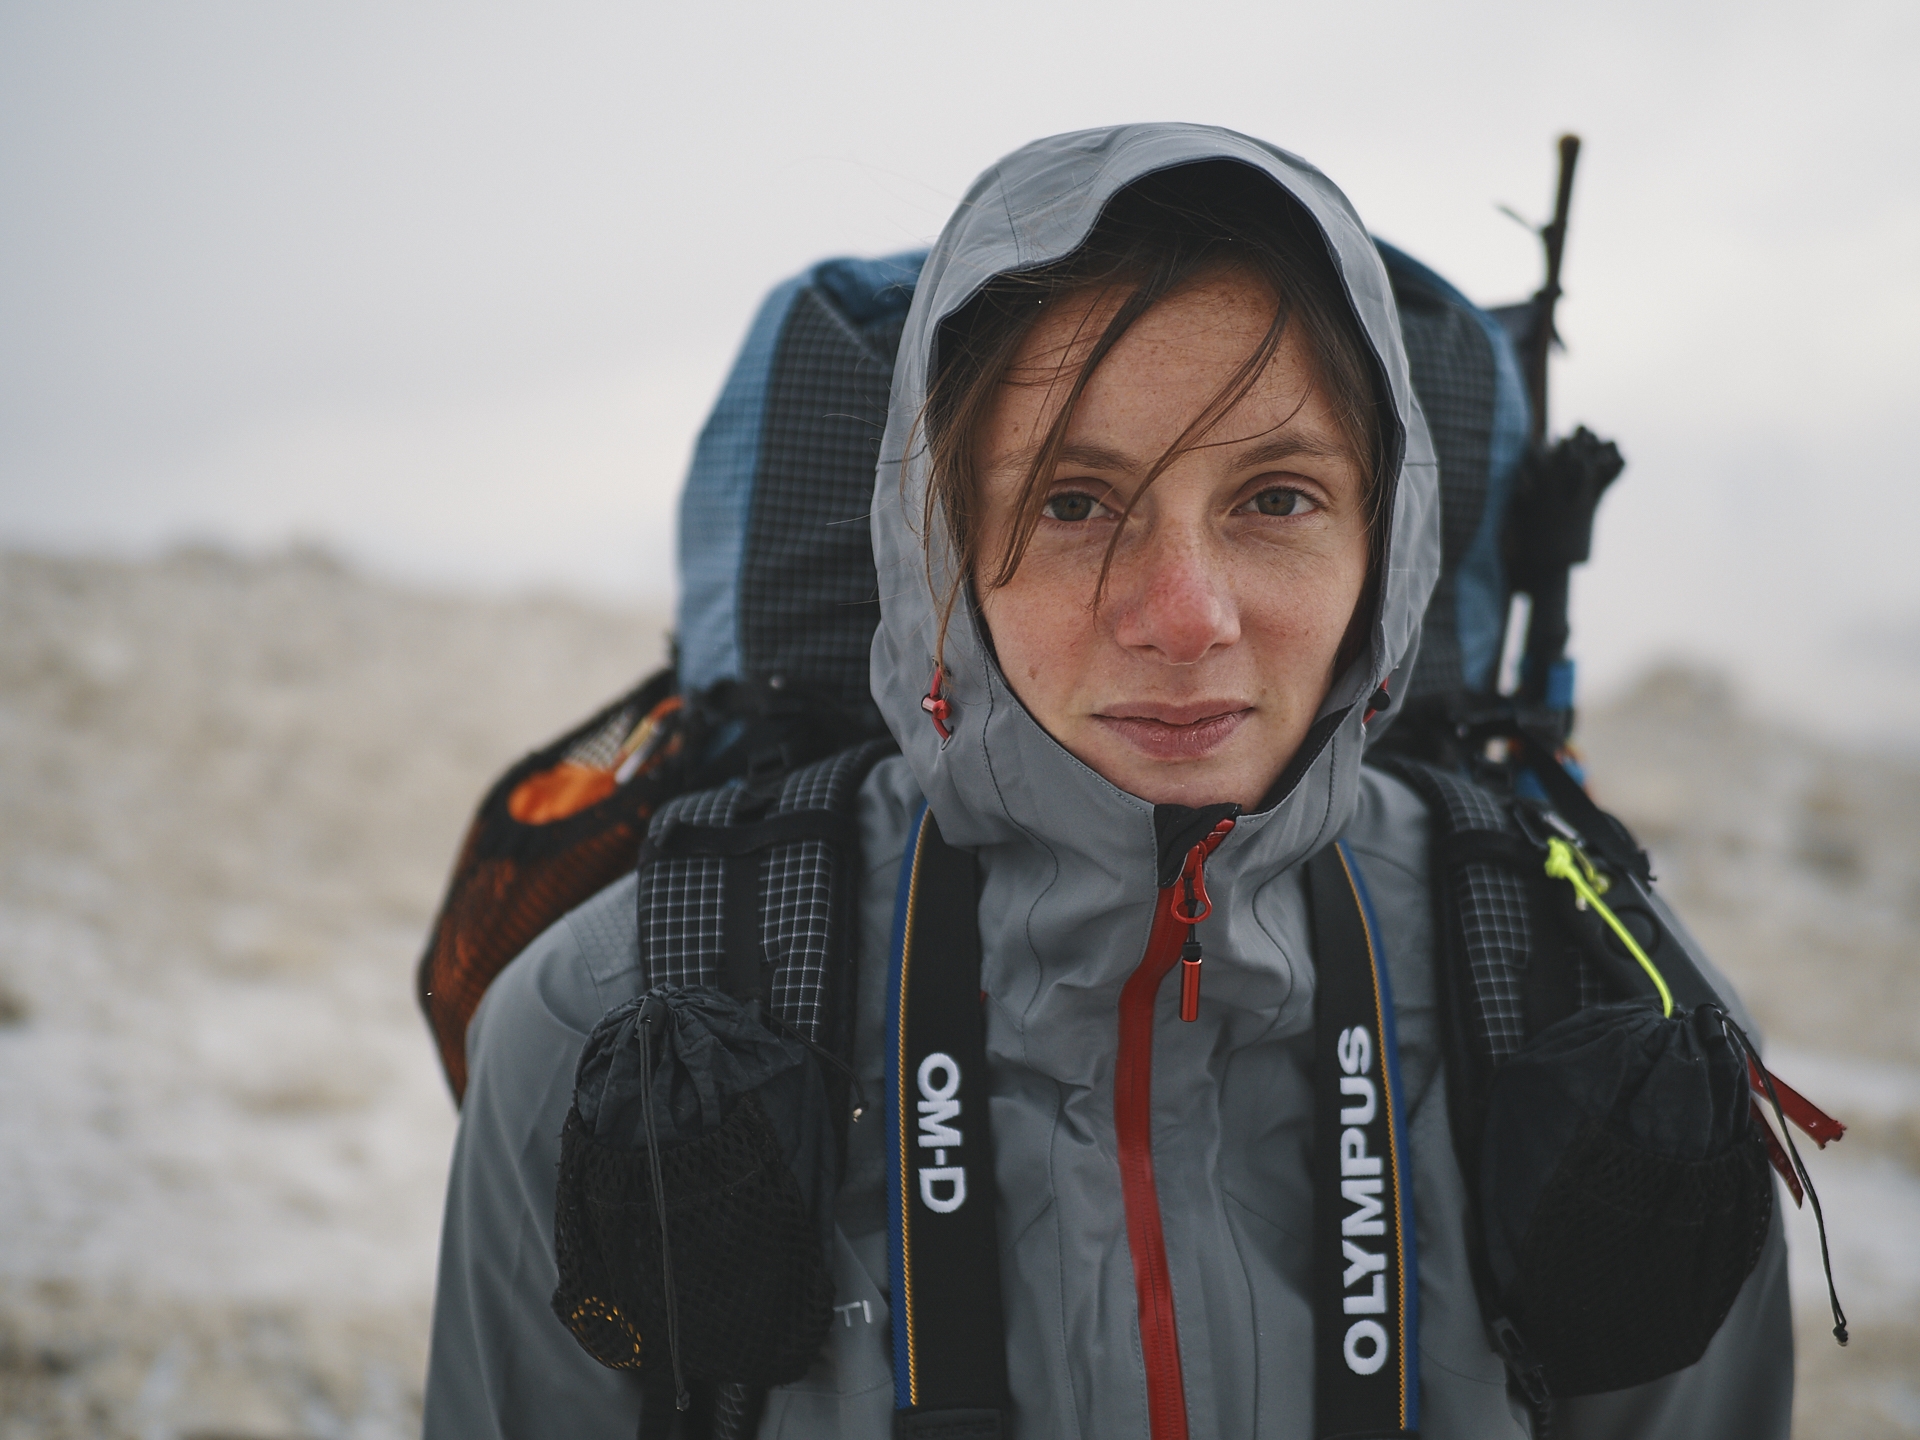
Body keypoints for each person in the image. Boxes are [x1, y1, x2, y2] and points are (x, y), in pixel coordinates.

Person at [424, 124, 1793, 1439]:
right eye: (1074, 502)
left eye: (1278, 498)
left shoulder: (1603, 1024)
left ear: (1393, 544)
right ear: (936, 549)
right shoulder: (613, 1026)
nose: (1187, 614)